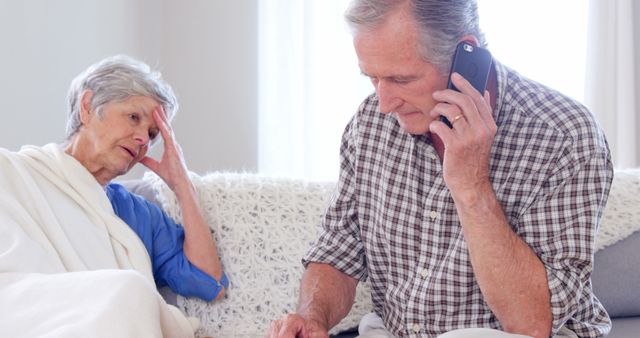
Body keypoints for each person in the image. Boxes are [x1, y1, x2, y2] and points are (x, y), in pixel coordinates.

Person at [265, 1, 612, 338]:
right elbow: (339, 250)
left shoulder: (563, 135)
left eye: (401, 79)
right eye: (372, 78)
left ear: (466, 56)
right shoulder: (370, 122)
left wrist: (472, 187)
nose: (384, 104)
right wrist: (312, 317)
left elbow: (534, 324)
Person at [0, 55, 226, 338]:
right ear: (87, 107)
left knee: (129, 291)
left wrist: (182, 184)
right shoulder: (13, 172)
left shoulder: (135, 213)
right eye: (134, 118)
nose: (143, 138)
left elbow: (210, 281)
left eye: (153, 134)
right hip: (24, 314)